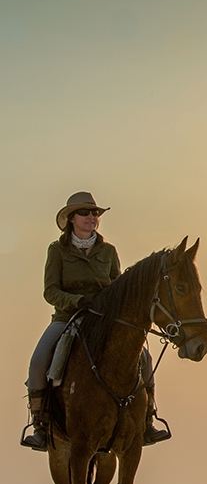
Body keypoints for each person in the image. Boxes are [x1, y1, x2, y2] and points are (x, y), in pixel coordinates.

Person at [20, 191, 171, 451]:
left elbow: (117, 285)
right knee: (39, 360)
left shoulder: (108, 250)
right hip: (70, 316)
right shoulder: (57, 250)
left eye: (95, 213)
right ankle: (41, 425)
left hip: (105, 319)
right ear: (71, 219)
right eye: (85, 213)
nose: (92, 217)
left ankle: (148, 420)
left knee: (143, 358)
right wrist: (76, 301)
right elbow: (50, 291)